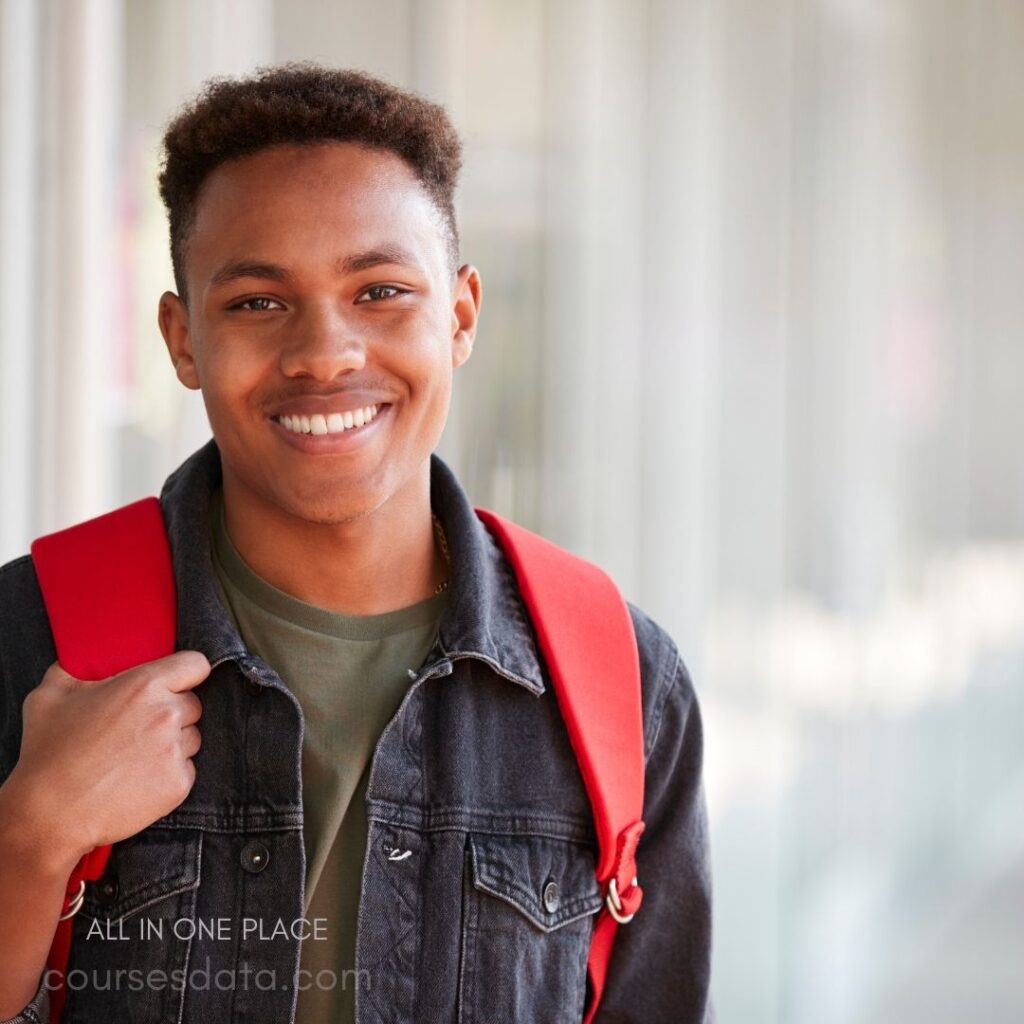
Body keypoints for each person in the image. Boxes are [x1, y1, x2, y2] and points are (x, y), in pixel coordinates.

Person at [0, 63, 713, 1023]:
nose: (325, 353)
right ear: (181, 340)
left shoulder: (618, 684)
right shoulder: (32, 641)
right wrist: (32, 834)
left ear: (459, 315)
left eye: (379, 290)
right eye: (257, 302)